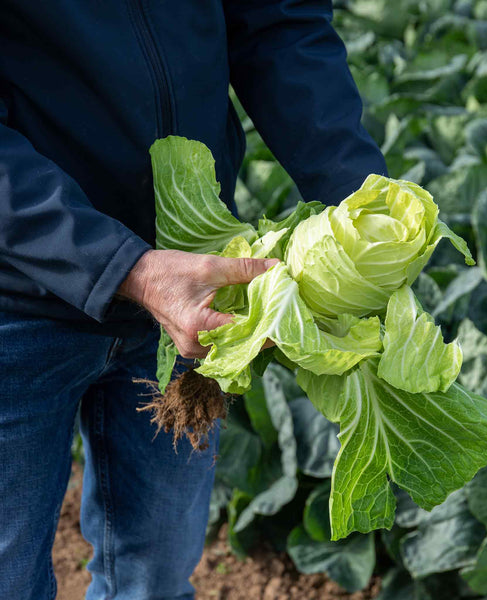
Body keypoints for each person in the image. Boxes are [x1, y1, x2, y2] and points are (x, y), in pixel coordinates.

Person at [0, 1, 387, 598]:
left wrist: (362, 199)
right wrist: (122, 266)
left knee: (155, 576)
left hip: (189, 283)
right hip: (17, 293)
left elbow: (279, 20)